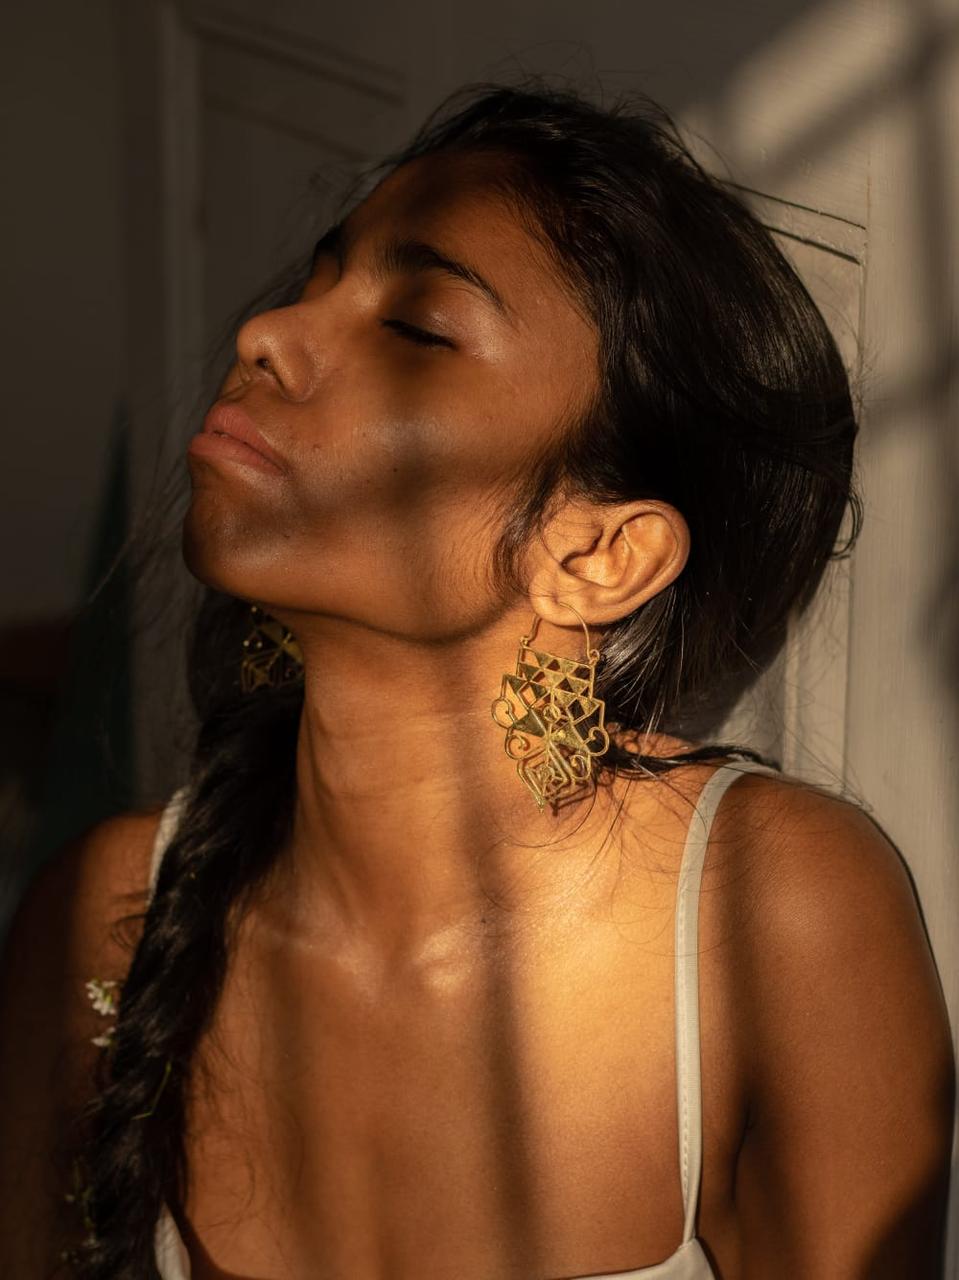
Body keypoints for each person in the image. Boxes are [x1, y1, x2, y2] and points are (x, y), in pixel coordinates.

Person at [0, 79, 953, 1280]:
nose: (267, 333)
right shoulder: (106, 913)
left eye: (416, 329)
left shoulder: (769, 921)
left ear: (595, 555)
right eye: (316, 279)